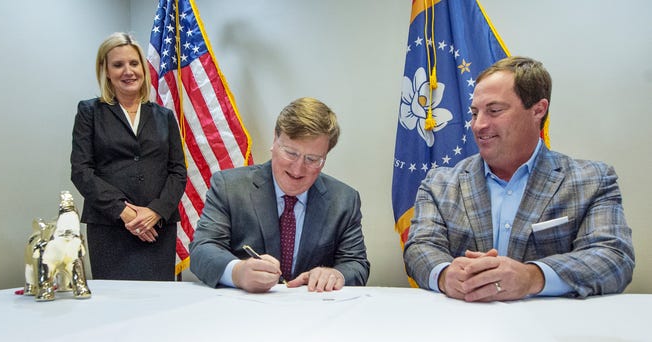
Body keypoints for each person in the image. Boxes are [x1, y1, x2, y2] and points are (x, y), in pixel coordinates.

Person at [403, 56, 635, 302]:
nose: (478, 125)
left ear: (538, 110)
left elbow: (613, 257)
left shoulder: (592, 180)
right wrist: (446, 275)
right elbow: (420, 248)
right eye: (474, 113)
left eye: (494, 111)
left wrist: (531, 277)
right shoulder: (439, 184)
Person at [189, 97, 370, 293]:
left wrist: (335, 274)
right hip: (242, 312)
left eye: (312, 159)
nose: (298, 168)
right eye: (291, 153)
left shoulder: (343, 200)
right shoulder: (229, 187)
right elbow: (202, 249)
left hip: (313, 312)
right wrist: (238, 272)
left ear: (325, 158)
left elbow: (356, 264)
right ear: (275, 141)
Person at [70, 32, 187, 281]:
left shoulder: (164, 116)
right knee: (114, 307)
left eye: (134, 63)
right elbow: (81, 171)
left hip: (157, 229)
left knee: (158, 305)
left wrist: (155, 211)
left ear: (143, 68)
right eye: (118, 64)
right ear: (106, 71)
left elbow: (178, 171)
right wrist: (124, 212)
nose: (128, 71)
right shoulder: (89, 112)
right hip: (110, 228)